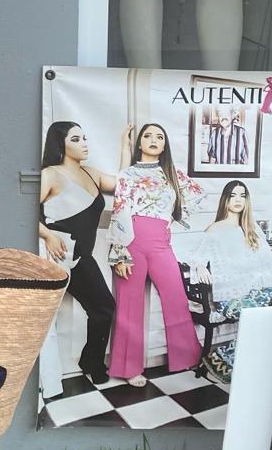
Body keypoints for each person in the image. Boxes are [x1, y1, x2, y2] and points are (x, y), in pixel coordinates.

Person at [107, 123, 204, 386]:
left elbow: (196, 196)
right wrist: (119, 254)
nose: (154, 140)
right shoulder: (128, 174)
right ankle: (128, 369)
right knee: (129, 305)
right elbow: (119, 210)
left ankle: (186, 357)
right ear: (139, 142)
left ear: (164, 145)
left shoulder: (173, 173)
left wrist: (171, 219)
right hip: (131, 242)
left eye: (159, 137)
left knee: (176, 297)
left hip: (161, 243)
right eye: (148, 136)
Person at [38, 122, 133, 382]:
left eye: (84, 138)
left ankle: (90, 361)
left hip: (83, 256)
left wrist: (124, 147)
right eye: (76, 139)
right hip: (60, 256)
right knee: (50, 315)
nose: (84, 144)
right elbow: (23, 210)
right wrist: (48, 235)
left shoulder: (92, 174)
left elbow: (124, 185)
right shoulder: (50, 175)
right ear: (61, 144)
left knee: (104, 307)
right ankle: (55, 375)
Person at [188, 179, 272, 384]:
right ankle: (226, 363)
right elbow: (196, 258)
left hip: (253, 293)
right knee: (267, 317)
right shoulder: (215, 229)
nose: (238, 200)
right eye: (233, 196)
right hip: (230, 298)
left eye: (242, 195)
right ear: (225, 200)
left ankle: (225, 361)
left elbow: (269, 261)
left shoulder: (252, 228)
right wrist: (200, 266)